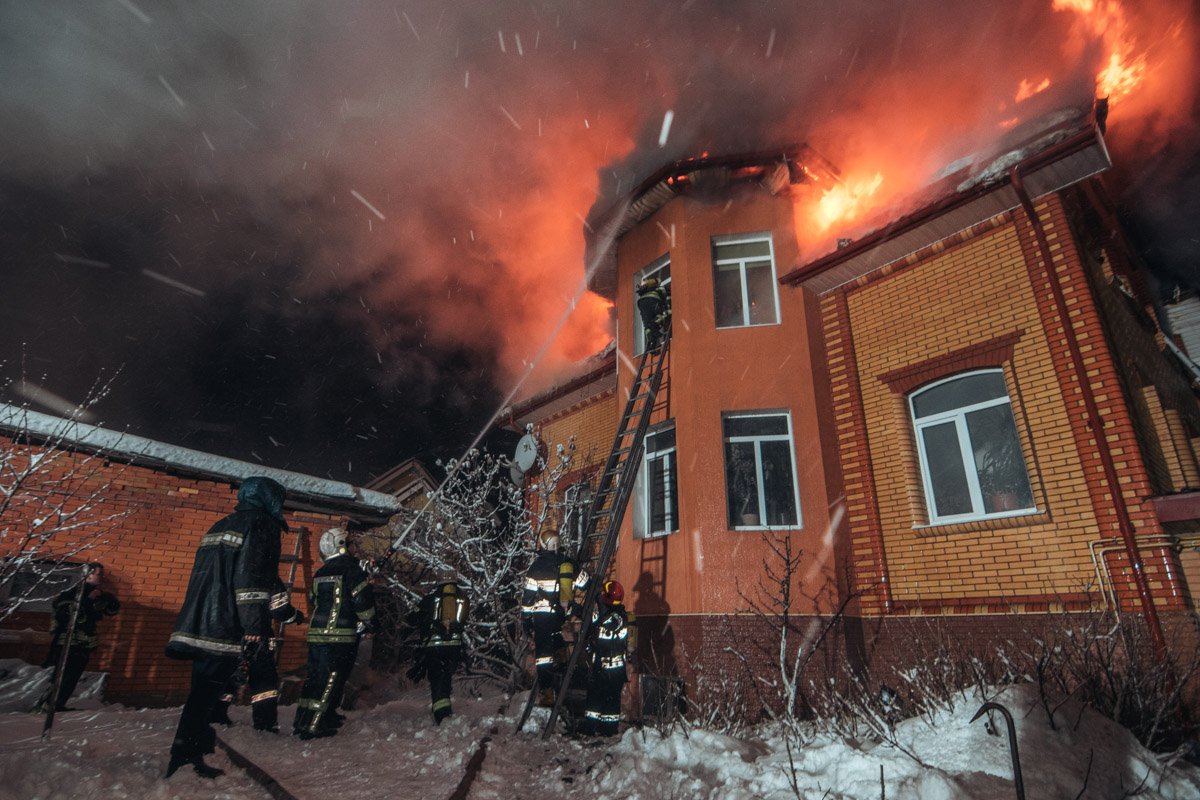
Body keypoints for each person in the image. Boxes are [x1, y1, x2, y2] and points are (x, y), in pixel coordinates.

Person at [164, 476, 291, 779]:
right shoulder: (262, 526)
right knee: (205, 696)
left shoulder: (222, 525)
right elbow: (251, 580)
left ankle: (193, 747)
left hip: (201, 623)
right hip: (227, 624)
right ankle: (185, 756)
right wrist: (254, 627)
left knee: (201, 695)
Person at [293, 528, 375, 739]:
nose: (355, 548)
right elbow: (363, 603)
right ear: (341, 546)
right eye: (350, 544)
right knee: (331, 680)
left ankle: (310, 717)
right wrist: (371, 623)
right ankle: (313, 726)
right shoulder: (352, 571)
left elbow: (314, 599)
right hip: (340, 637)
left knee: (316, 678)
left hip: (317, 635)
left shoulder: (321, 572)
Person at [35, 562, 119, 713]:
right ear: (88, 574)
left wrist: (106, 601)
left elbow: (109, 611)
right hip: (68, 642)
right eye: (99, 574)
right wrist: (88, 600)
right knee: (62, 675)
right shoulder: (72, 593)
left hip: (84, 644)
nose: (101, 577)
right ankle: (46, 705)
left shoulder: (97, 593)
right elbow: (70, 615)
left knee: (73, 676)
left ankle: (58, 704)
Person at [520, 530, 584, 707]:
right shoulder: (567, 564)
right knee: (556, 635)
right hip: (559, 614)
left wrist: (526, 618)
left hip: (541, 615)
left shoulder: (536, 567)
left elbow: (528, 597)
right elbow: (586, 583)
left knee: (543, 655)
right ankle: (561, 656)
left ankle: (547, 691)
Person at [413, 576, 468, 724]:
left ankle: (441, 716)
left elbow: (417, 619)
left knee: (437, 679)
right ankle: (446, 711)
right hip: (454, 647)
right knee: (446, 677)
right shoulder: (462, 599)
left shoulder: (432, 599)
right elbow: (463, 621)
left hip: (434, 647)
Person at [581, 580, 630, 737]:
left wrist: (598, 604)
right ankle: (591, 726)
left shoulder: (619, 616)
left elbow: (605, 624)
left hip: (613, 669)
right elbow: (593, 627)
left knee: (610, 701)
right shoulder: (604, 614)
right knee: (594, 698)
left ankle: (608, 730)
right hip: (600, 666)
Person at [636, 277, 670, 351]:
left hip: (641, 302)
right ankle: (657, 334)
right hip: (652, 300)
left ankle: (652, 345)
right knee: (660, 316)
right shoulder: (659, 288)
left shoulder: (644, 290)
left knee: (647, 325)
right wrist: (668, 309)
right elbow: (666, 297)